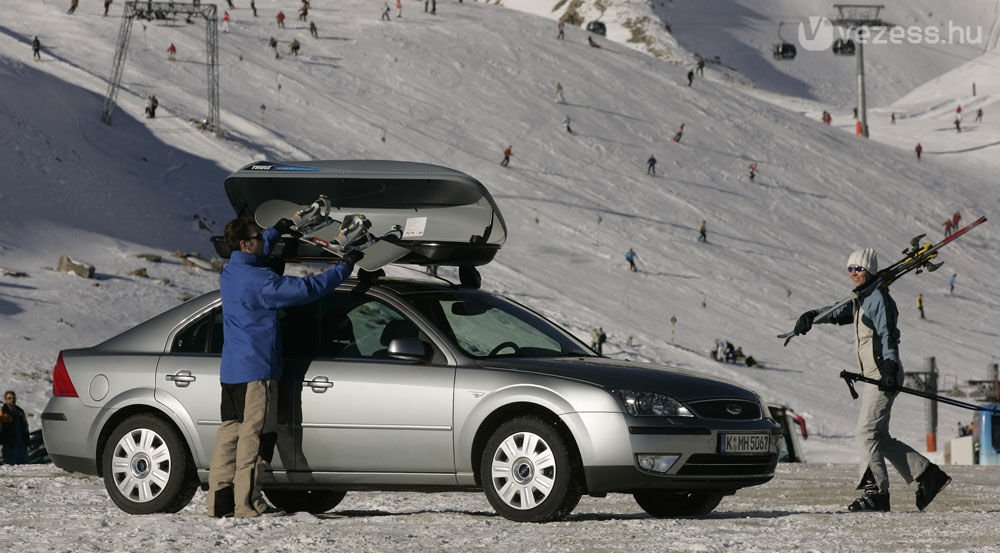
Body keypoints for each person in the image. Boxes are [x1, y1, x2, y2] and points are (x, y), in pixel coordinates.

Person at [207, 217, 362, 518]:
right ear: (245, 244)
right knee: (257, 437)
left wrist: (277, 229)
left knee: (230, 434)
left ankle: (219, 501)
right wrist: (344, 267)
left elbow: (262, 248)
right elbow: (307, 289)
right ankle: (246, 503)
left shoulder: (230, 273)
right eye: (258, 237)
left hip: (232, 372)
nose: (263, 240)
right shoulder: (261, 282)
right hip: (257, 372)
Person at [792, 248, 951, 512]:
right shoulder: (860, 298)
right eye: (850, 269)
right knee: (879, 436)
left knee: (866, 433)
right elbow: (838, 312)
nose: (854, 273)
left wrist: (889, 366)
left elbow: (888, 334)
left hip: (883, 373)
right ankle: (929, 476)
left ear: (870, 270)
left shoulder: (879, 299)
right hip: (874, 375)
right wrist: (812, 316)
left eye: (859, 269)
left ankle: (877, 493)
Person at [1, 390, 30, 465]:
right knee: (9, 467)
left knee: (24, 467)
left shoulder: (20, 412)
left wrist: (27, 440)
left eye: (13, 398)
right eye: (9, 398)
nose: (12, 400)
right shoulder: (3, 413)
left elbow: (25, 427)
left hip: (21, 444)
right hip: (9, 445)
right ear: (6, 399)